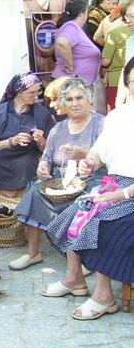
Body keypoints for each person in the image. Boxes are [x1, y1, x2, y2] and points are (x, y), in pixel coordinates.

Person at [43, 62, 134, 320]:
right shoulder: (118, 115)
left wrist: (119, 195)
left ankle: (104, 296)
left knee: (101, 220)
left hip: (130, 193)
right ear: (127, 85)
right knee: (79, 208)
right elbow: (100, 148)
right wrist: (90, 161)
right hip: (115, 182)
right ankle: (74, 278)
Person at [10, 78, 104, 270]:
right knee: (35, 191)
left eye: (79, 98)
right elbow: (46, 158)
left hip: (92, 179)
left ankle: (82, 259)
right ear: (63, 103)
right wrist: (42, 167)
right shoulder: (58, 129)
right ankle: (33, 253)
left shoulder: (101, 125)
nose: (75, 103)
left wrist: (85, 155)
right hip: (60, 182)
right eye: (69, 99)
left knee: (84, 202)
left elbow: (109, 157)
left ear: (90, 100)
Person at [0, 72, 54, 198]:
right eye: (31, 93)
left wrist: (40, 140)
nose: (36, 97)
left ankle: (23, 201)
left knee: (26, 164)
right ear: (19, 92)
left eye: (38, 92)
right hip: (3, 153)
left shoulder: (42, 113)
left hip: (29, 154)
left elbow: (50, 150)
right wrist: (12, 141)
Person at [52, 0, 101, 86]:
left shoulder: (73, 28)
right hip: (71, 84)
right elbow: (62, 42)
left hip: (76, 83)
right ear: (82, 13)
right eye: (87, 12)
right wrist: (69, 64)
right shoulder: (71, 26)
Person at [101, 0, 134, 111]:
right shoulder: (130, 41)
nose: (128, 20)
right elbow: (126, 70)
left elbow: (106, 61)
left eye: (132, 16)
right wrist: (119, 100)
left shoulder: (114, 33)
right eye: (127, 16)